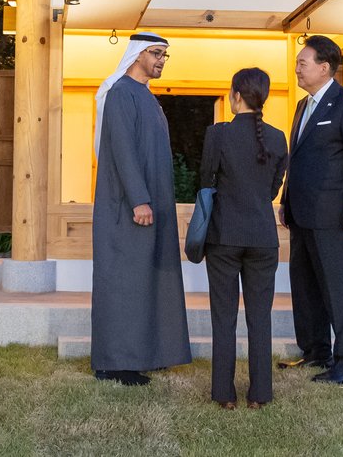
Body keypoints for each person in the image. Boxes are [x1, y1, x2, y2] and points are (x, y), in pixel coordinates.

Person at [90, 32, 191, 386]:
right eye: (156, 53)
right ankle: (116, 363)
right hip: (129, 209)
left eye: (165, 54)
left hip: (150, 205)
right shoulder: (121, 93)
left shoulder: (146, 96)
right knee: (124, 283)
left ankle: (145, 354)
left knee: (147, 282)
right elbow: (122, 151)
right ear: (137, 55)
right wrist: (139, 200)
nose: (162, 60)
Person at [279, 34, 343, 385]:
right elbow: (297, 160)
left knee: (340, 289)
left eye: (303, 63)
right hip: (301, 215)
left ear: (324, 67)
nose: (297, 69)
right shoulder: (302, 106)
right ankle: (316, 352)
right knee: (305, 288)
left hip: (336, 217)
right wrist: (285, 201)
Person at [198, 67, 289, 410]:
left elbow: (206, 182)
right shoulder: (278, 138)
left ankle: (224, 394)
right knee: (260, 318)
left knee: (224, 317)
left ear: (236, 95)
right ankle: (260, 395)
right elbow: (273, 190)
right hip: (263, 237)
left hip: (224, 236)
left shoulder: (218, 134)